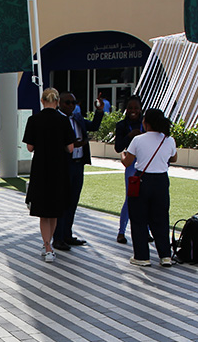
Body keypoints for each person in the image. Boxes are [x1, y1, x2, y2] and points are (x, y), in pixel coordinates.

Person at [23, 88, 75, 262]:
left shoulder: (34, 120)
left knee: (44, 211)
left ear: (42, 100)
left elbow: (29, 147)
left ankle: (47, 246)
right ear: (57, 101)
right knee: (54, 210)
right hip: (59, 169)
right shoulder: (63, 120)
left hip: (41, 168)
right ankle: (48, 244)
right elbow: (70, 148)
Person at [121, 108, 177, 267]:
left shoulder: (138, 140)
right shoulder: (169, 140)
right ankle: (165, 255)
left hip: (142, 179)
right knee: (161, 218)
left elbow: (127, 162)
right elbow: (174, 157)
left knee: (138, 218)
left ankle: (142, 256)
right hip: (161, 180)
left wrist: (123, 153)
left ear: (146, 123)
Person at [52, 93, 104, 251]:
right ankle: (58, 237)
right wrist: (70, 144)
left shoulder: (77, 118)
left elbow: (94, 126)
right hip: (64, 165)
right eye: (68, 102)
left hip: (78, 164)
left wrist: (100, 111)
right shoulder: (56, 120)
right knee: (62, 202)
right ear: (59, 103)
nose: (71, 105)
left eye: (74, 102)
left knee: (73, 201)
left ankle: (67, 234)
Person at [114, 96, 144, 245]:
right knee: (130, 198)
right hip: (131, 165)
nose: (133, 111)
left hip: (146, 163)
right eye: (130, 108)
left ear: (140, 109)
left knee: (146, 197)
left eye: (136, 108)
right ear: (126, 109)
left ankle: (147, 230)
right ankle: (121, 232)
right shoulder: (122, 125)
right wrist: (129, 136)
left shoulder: (145, 124)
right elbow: (118, 147)